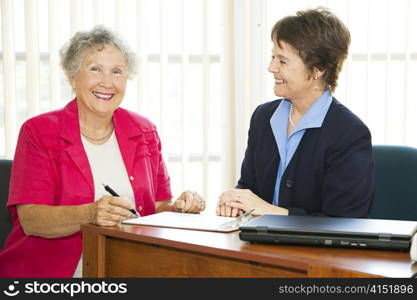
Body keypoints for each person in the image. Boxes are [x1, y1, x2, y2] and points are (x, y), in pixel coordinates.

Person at [0, 26, 205, 277]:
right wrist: (91, 213)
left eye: (117, 72)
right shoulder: (39, 131)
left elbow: (157, 207)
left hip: (128, 267)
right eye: (95, 69)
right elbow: (31, 220)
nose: (107, 83)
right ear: (72, 75)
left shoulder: (144, 130)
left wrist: (179, 209)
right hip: (53, 274)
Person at [217, 8, 374, 218]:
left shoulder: (349, 133)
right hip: (256, 247)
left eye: (282, 61)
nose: (271, 67)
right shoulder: (263, 117)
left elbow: (343, 223)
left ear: (318, 69)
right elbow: (248, 188)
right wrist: (235, 202)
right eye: (273, 57)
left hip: (313, 252)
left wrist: (269, 211)